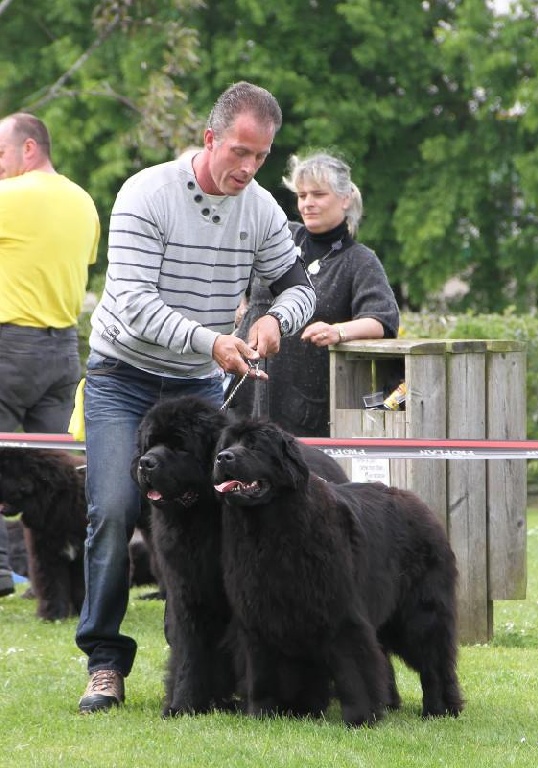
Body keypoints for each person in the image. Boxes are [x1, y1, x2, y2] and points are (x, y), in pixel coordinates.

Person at [75, 81, 316, 713]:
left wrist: (276, 320)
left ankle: (217, 665)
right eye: (239, 151)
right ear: (209, 139)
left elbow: (298, 284)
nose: (247, 168)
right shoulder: (144, 194)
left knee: (226, 518)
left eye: (260, 157)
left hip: (200, 386)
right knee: (117, 510)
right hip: (123, 379)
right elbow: (130, 303)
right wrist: (211, 340)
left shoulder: (261, 208)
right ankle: (104, 662)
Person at [0, 112, 99, 598]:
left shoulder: (7, 197)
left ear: (29, 149)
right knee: (57, 476)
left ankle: (0, 571)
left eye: (0, 154)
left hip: (7, 344)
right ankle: (72, 579)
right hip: (63, 348)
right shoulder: (84, 202)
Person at [234, 151, 400, 436]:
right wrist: (241, 303)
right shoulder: (282, 238)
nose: (308, 203)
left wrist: (339, 331)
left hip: (307, 410)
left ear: (345, 198)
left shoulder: (359, 260)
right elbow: (233, 256)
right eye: (302, 195)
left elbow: (383, 320)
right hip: (246, 395)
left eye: (318, 194)